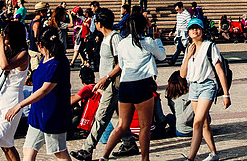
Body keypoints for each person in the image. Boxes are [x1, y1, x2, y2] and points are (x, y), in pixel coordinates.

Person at [98, 13, 166, 161]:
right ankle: (144, 158)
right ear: (143, 26)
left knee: (122, 125)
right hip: (143, 83)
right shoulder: (147, 41)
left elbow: (121, 65)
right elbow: (162, 56)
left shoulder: (122, 43)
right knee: (144, 126)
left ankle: (104, 156)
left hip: (125, 84)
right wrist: (158, 39)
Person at [73, 9, 137, 160]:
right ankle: (129, 143)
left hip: (112, 84)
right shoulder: (107, 38)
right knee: (115, 116)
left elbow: (122, 62)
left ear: (99, 24)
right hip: (107, 84)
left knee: (101, 116)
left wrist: (106, 78)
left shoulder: (114, 38)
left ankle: (87, 149)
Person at [5, 26, 73, 160]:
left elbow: (45, 89)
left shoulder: (58, 63)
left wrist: (19, 105)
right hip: (38, 112)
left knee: (59, 151)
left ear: (40, 44)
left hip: (53, 113)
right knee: (28, 149)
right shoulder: (45, 58)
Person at [179, 17, 231, 161]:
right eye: (192, 28)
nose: (195, 30)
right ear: (188, 32)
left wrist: (226, 94)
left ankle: (190, 158)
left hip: (208, 85)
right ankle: (214, 153)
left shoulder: (210, 46)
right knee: (204, 123)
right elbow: (182, 74)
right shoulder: (188, 49)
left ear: (202, 30)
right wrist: (188, 56)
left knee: (198, 121)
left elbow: (219, 70)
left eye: (197, 28)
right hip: (193, 86)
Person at [0, 20, 30, 161]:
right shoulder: (6, 51)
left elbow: (5, 66)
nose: (3, 35)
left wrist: (1, 44)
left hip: (12, 103)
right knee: (6, 144)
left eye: (7, 33)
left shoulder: (23, 54)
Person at [164, 71, 194, 138]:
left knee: (169, 116)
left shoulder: (171, 97)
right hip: (190, 128)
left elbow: (174, 112)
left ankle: (172, 129)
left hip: (180, 129)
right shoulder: (189, 95)